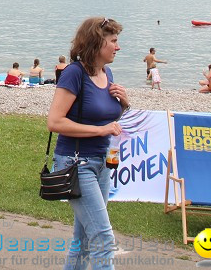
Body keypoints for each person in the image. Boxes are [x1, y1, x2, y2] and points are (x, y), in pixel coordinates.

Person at [47, 17, 130, 270]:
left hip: (102, 165)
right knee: (104, 239)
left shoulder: (107, 73)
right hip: (76, 164)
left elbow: (107, 118)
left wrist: (124, 104)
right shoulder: (74, 74)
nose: (118, 47)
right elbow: (55, 122)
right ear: (97, 42)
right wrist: (100, 130)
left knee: (83, 239)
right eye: (113, 41)